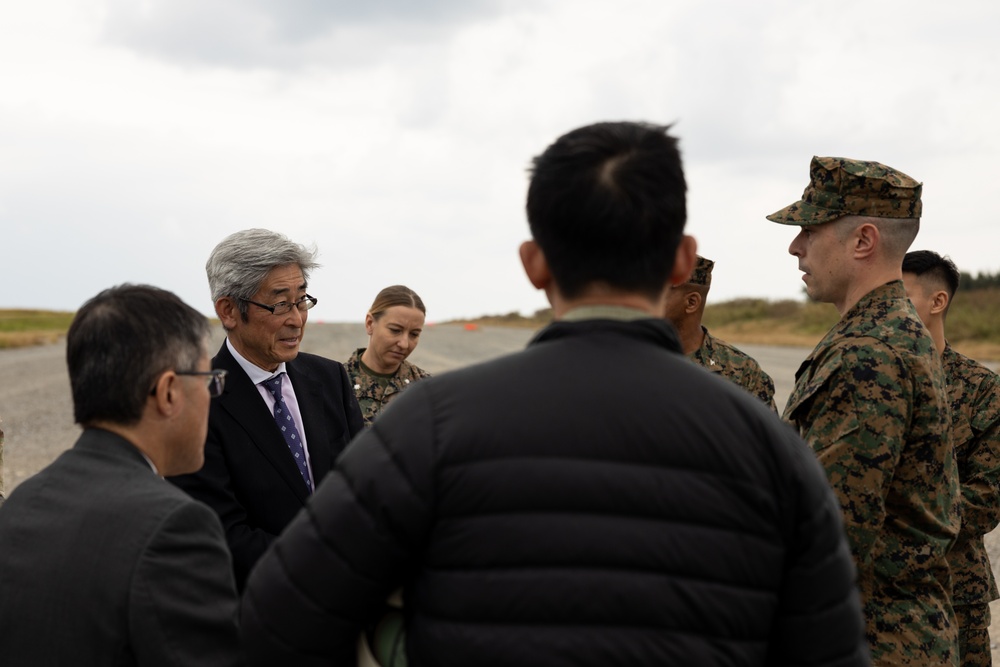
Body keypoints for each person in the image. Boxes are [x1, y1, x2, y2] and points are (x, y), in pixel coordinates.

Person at [240, 122, 868, 666]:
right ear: (682, 260)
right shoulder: (772, 449)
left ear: (534, 263)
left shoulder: (428, 424)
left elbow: (279, 622)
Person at [767, 157, 959, 665]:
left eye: (810, 230)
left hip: (874, 641)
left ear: (862, 241)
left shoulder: (868, 352)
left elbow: (831, 533)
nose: (795, 246)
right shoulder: (888, 333)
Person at [0, 284, 242, 666]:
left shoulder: (22, 502)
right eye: (208, 381)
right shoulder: (174, 527)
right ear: (168, 392)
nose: (211, 398)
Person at [167, 228, 364, 590]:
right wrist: (324, 564)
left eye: (302, 300)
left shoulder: (330, 378)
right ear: (228, 310)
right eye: (279, 304)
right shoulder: (195, 402)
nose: (296, 319)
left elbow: (365, 485)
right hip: (261, 610)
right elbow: (221, 533)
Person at [902, 250, 1000, 667]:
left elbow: (987, 498)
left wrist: (900, 522)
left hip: (954, 590)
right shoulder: (866, 376)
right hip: (873, 592)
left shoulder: (980, 389)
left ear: (937, 301)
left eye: (899, 296)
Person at [662, 254, 777, 411]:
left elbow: (764, 435)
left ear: (691, 303)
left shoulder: (742, 371)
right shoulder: (627, 358)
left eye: (656, 293)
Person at [345, 285, 431, 426]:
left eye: (414, 334)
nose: (404, 344)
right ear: (370, 323)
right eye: (395, 330)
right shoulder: (337, 384)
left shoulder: (426, 389)